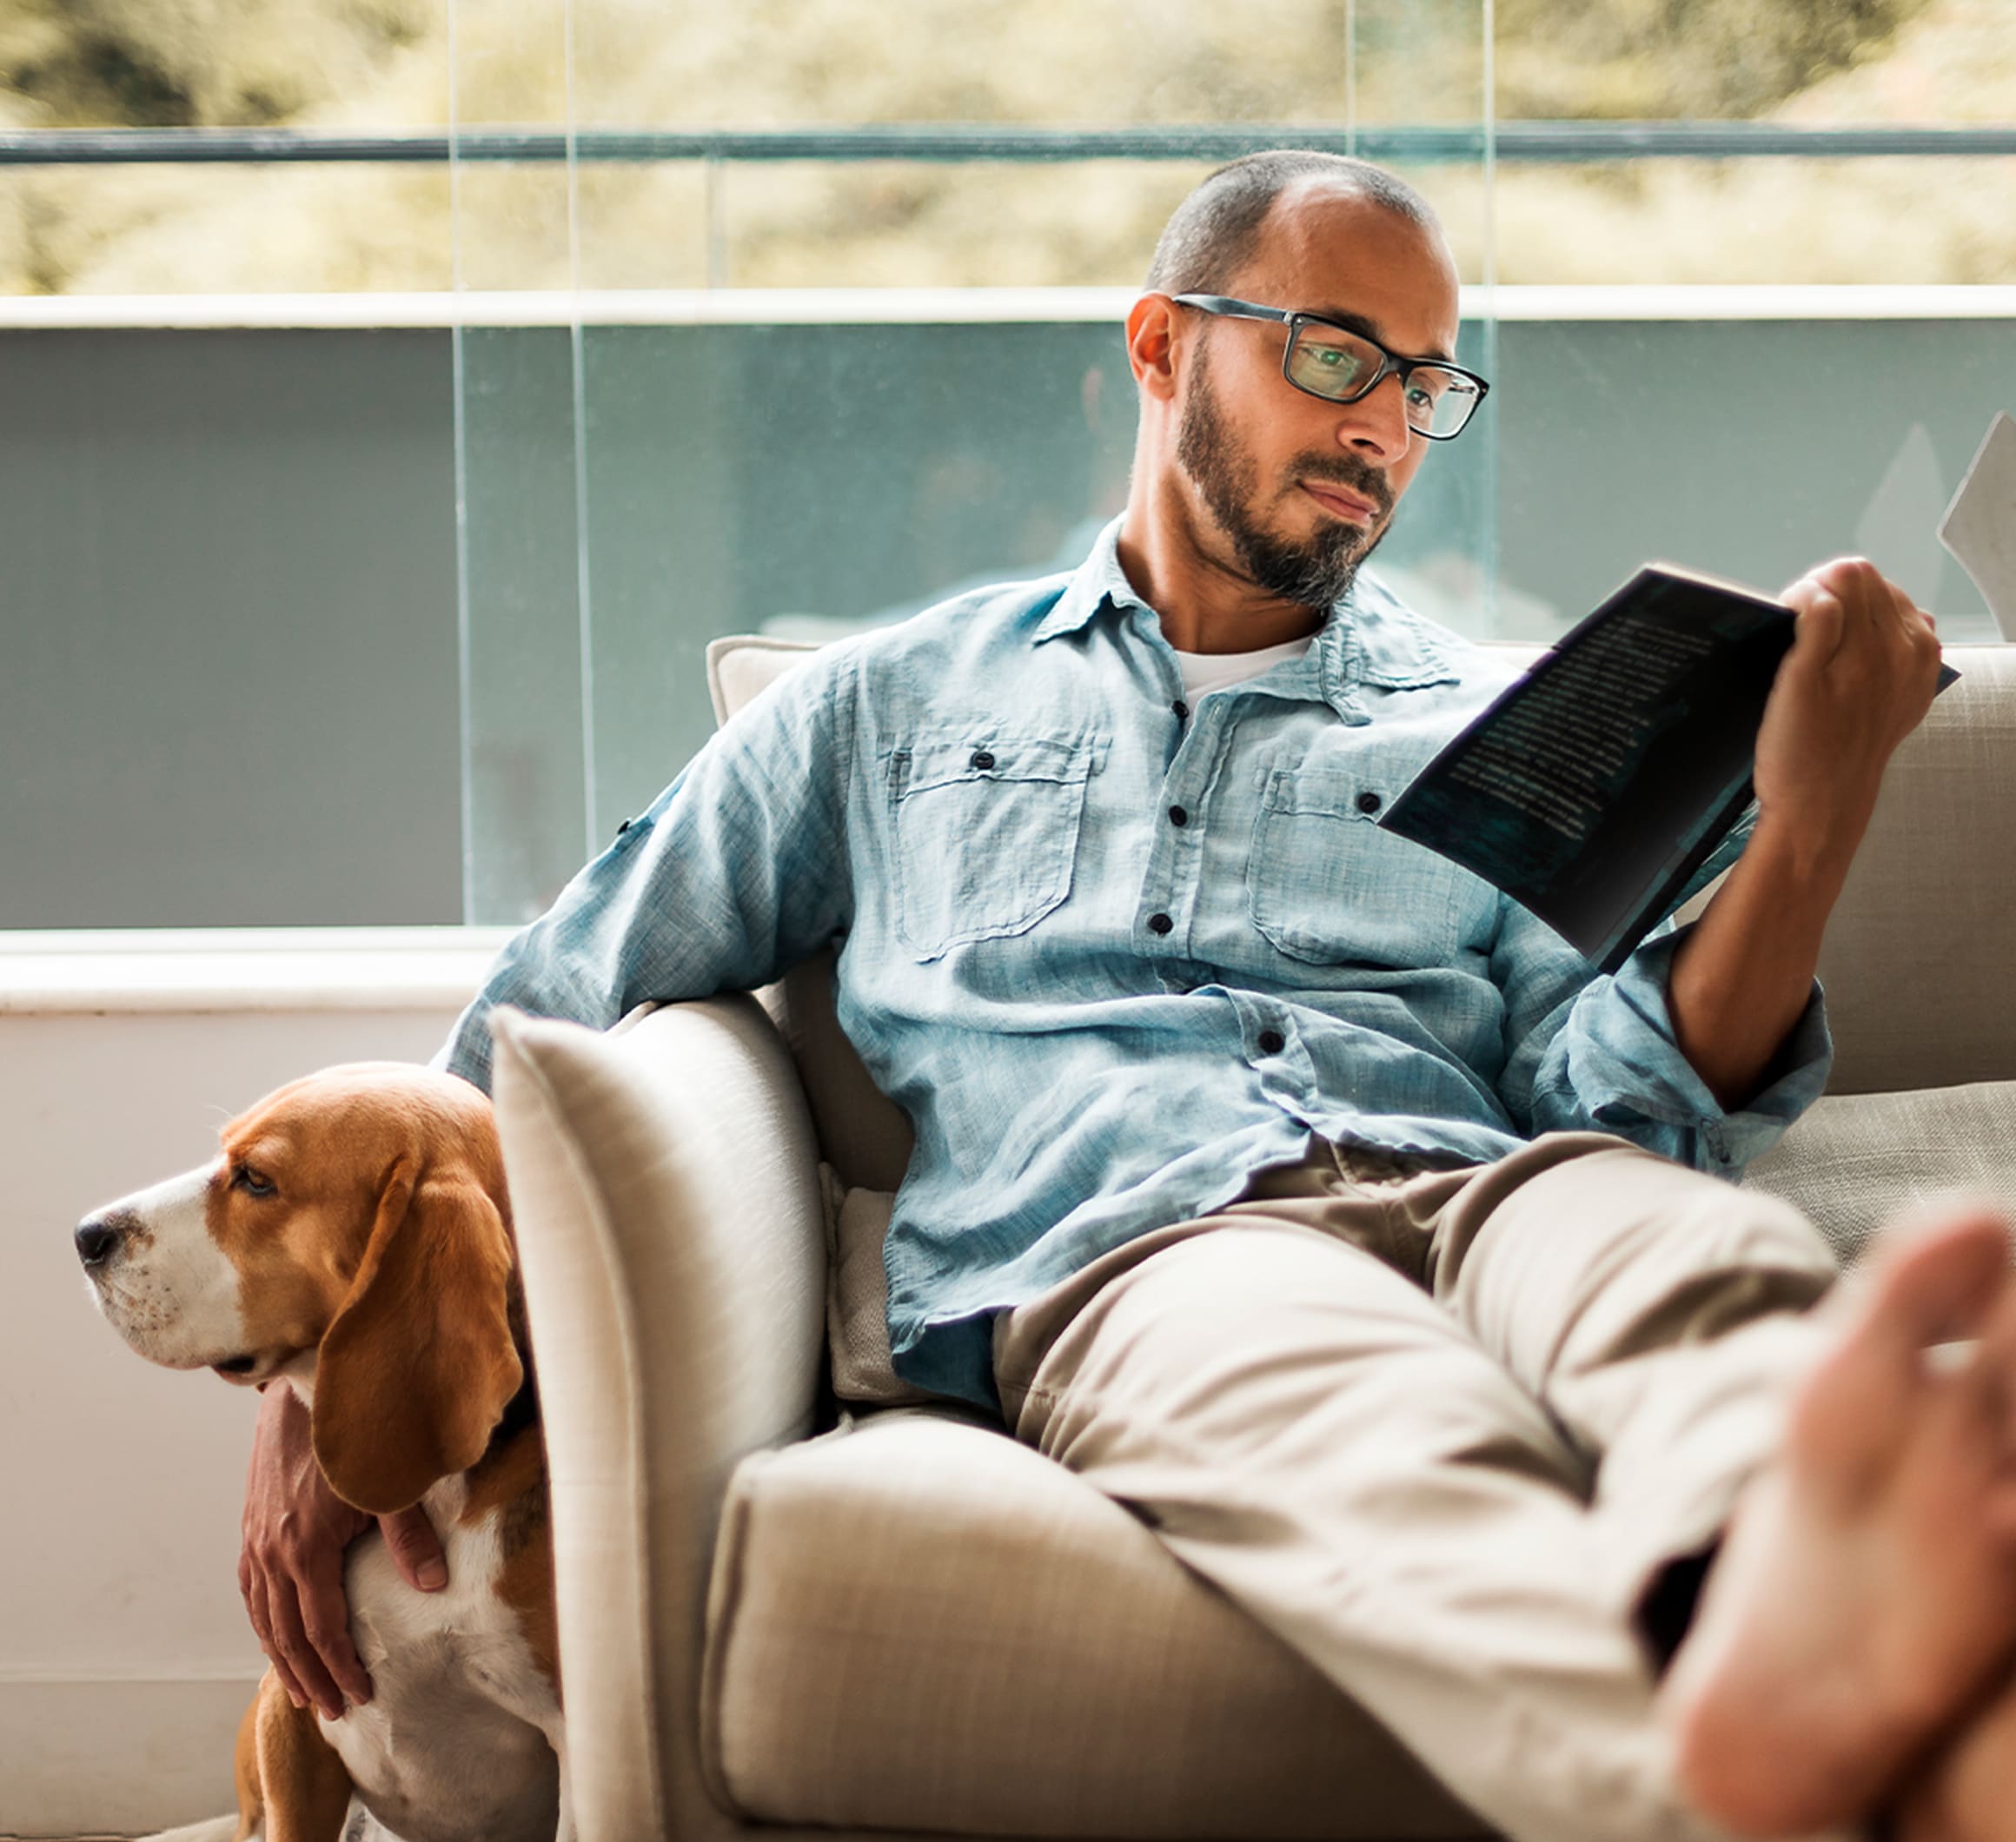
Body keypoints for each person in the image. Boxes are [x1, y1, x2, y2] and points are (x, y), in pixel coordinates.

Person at [237, 150, 2016, 1840]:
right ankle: (1779, 1788)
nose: (1383, 425)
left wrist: (1811, 817)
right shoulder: (887, 707)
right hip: (1162, 1246)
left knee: (1711, 1288)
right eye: (1337, 355)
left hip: (1503, 1184)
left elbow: (1619, 1103)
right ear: (1161, 345)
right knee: (1402, 1453)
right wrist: (318, 1394)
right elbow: (546, 1000)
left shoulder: (1494, 714)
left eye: (1423, 388)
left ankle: (1905, 1643)